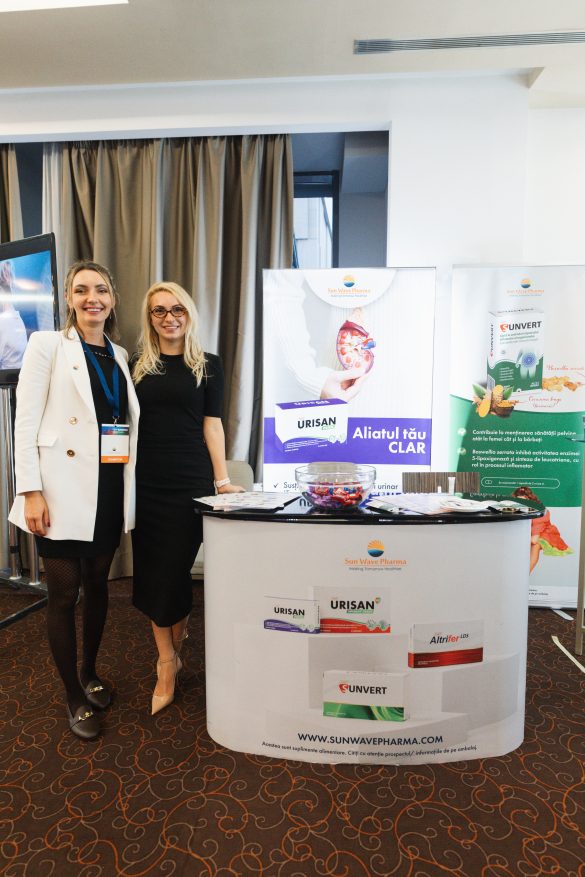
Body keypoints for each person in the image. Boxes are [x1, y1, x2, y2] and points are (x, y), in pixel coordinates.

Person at [9, 260, 139, 740]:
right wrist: (30, 490)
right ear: (68, 298)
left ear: (112, 299)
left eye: (100, 290)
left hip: (107, 485)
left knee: (98, 585)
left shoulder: (119, 354)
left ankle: (89, 671)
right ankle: (71, 694)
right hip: (60, 489)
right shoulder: (46, 345)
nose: (92, 298)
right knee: (64, 594)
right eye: (81, 290)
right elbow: (26, 420)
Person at [131, 281, 243, 716]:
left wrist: (221, 481)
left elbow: (212, 424)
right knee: (154, 572)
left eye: (177, 309)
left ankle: (174, 648)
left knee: (175, 571)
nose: (169, 317)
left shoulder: (207, 365)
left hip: (189, 482)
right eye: (159, 311)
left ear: (189, 314)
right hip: (145, 481)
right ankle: (166, 661)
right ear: (150, 318)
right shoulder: (136, 364)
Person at [0, 260, 27, 369]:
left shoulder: (16, 318)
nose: (8, 276)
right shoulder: (4, 321)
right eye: (5, 273)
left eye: (9, 273)